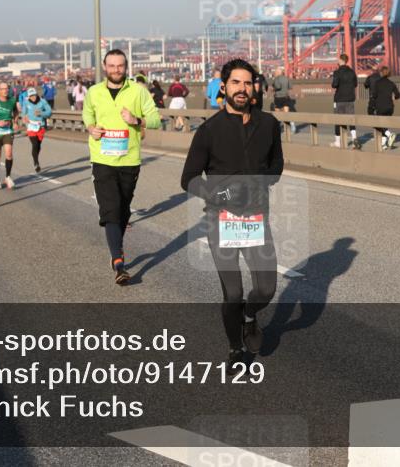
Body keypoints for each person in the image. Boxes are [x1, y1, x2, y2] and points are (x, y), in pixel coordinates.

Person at [180, 58, 283, 363]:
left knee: (265, 288)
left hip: (255, 218)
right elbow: (188, 178)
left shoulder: (268, 125)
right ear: (223, 87)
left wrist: (258, 182)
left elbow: (277, 166)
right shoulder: (209, 131)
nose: (242, 88)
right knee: (233, 293)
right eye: (235, 83)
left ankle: (250, 316)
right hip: (221, 220)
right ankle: (235, 349)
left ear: (254, 87)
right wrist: (216, 193)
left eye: (247, 82)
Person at [83, 49, 161, 285]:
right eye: (112, 66)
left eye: (120, 66)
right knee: (111, 209)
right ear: (104, 67)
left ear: (126, 67)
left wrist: (136, 120)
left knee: (123, 209)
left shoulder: (138, 91)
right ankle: (119, 262)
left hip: (129, 160)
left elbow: (157, 119)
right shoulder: (94, 92)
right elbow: (87, 115)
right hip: (102, 158)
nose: (116, 70)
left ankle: (117, 245)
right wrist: (91, 128)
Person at [367, 65, 400, 149]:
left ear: (381, 73)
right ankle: (384, 144)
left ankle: (390, 134)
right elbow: (398, 95)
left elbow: (373, 95)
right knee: (384, 124)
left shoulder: (377, 83)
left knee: (378, 124)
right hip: (390, 107)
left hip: (380, 106)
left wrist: (372, 105)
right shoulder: (391, 83)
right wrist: (393, 97)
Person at [21, 87, 52, 173]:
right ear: (29, 96)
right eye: (31, 96)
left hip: (40, 126)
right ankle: (36, 163)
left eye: (34, 95)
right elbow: (23, 113)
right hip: (31, 126)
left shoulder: (42, 101)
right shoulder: (26, 102)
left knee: (38, 145)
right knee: (34, 144)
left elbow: (49, 112)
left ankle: (35, 158)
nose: (33, 98)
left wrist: (41, 113)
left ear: (36, 94)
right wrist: (24, 118)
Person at [331, 53, 359, 148]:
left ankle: (338, 142)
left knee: (338, 120)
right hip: (350, 98)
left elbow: (334, 85)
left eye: (338, 60)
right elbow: (355, 84)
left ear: (341, 61)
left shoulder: (337, 72)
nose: (337, 61)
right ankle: (354, 138)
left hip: (339, 99)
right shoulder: (352, 72)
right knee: (351, 119)